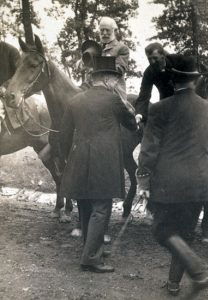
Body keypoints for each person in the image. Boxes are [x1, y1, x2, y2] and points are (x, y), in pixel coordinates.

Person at [137, 55, 208, 296]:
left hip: (168, 184)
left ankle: (198, 271)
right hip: (201, 183)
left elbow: (149, 148)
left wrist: (143, 180)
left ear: (173, 80)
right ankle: (174, 283)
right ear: (194, 81)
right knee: (185, 233)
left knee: (162, 230)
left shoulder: (160, 108)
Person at [59, 57, 137, 273]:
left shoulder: (75, 101)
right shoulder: (113, 100)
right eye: (114, 77)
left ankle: (90, 248)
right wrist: (136, 116)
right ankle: (91, 258)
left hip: (79, 159)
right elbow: (131, 125)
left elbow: (63, 136)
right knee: (101, 207)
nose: (115, 82)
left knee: (85, 204)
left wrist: (67, 159)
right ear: (105, 78)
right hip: (104, 160)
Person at [98, 16, 134, 115]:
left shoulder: (122, 48)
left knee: (123, 112)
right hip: (94, 86)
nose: (104, 33)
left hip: (114, 88)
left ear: (114, 31)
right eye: (102, 30)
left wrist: (99, 62)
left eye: (107, 30)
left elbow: (120, 69)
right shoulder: (95, 48)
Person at [134, 42, 175, 126]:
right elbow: (144, 95)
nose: (152, 62)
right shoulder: (149, 72)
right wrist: (139, 115)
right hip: (165, 104)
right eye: (149, 59)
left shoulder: (176, 63)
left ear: (163, 56)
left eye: (155, 58)